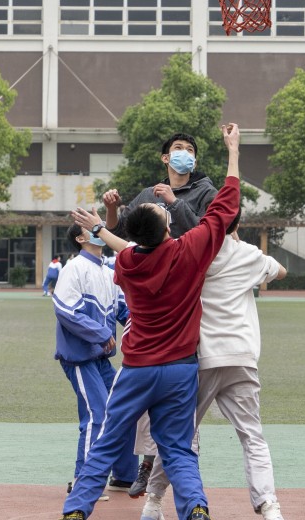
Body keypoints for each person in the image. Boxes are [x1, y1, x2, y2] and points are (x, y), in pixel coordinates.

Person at [60, 123, 241, 520]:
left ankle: (76, 510)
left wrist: (99, 229)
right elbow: (226, 207)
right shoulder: (191, 251)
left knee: (107, 442)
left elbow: (125, 247)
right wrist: (233, 151)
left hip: (137, 368)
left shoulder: (127, 262)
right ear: (168, 226)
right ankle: (194, 507)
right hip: (180, 369)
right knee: (178, 449)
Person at [92, 216, 289, 520]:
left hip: (203, 358)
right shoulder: (248, 255)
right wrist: (245, 255)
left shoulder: (190, 254)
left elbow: (136, 248)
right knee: (253, 436)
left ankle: (153, 503)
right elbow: (281, 271)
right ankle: (270, 507)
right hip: (242, 356)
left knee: (177, 439)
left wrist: (101, 229)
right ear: (234, 226)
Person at [102, 132, 218, 493]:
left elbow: (212, 232)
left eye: (191, 151)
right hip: (152, 296)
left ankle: (176, 462)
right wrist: (110, 210)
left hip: (191, 291)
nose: (186, 155)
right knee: (149, 380)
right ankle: (148, 462)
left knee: (184, 388)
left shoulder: (205, 192)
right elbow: (120, 232)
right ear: (165, 158)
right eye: (179, 150)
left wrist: (175, 204)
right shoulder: (147, 195)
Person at [53, 224, 135, 493]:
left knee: (124, 410)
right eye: (89, 228)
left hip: (100, 359)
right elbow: (65, 309)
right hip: (79, 358)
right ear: (80, 238)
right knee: (96, 415)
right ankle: (84, 481)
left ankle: (125, 475)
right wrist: (100, 333)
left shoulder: (108, 271)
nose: (97, 230)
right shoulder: (73, 268)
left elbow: (125, 310)